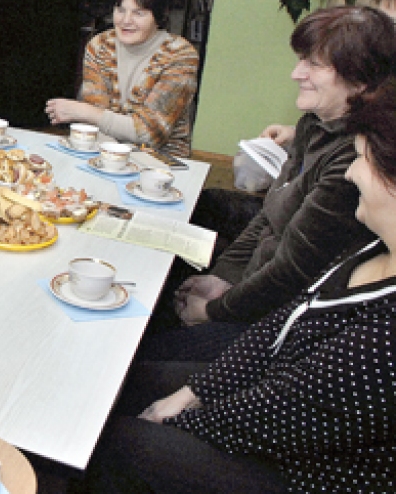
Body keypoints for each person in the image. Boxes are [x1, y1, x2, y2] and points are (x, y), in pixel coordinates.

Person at [77, 77, 396, 494]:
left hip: (300, 472)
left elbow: (280, 416)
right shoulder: (374, 247)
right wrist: (193, 391)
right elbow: (279, 326)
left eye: (364, 161)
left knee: (107, 441)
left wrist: (178, 417)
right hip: (273, 393)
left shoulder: (385, 337)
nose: (352, 171)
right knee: (122, 385)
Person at [150, 6, 393, 362]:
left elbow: (291, 272)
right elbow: (268, 214)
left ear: (359, 81)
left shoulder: (351, 160)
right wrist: (222, 277)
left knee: (145, 353)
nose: (296, 73)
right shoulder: (314, 123)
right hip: (254, 283)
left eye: (314, 64)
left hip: (275, 320)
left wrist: (214, 310)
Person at [45, 0, 198, 157]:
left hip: (161, 162)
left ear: (159, 16)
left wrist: (82, 111)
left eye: (138, 13)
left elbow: (149, 134)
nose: (126, 21)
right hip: (103, 154)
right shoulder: (100, 46)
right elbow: (95, 123)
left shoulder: (180, 56)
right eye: (120, 10)